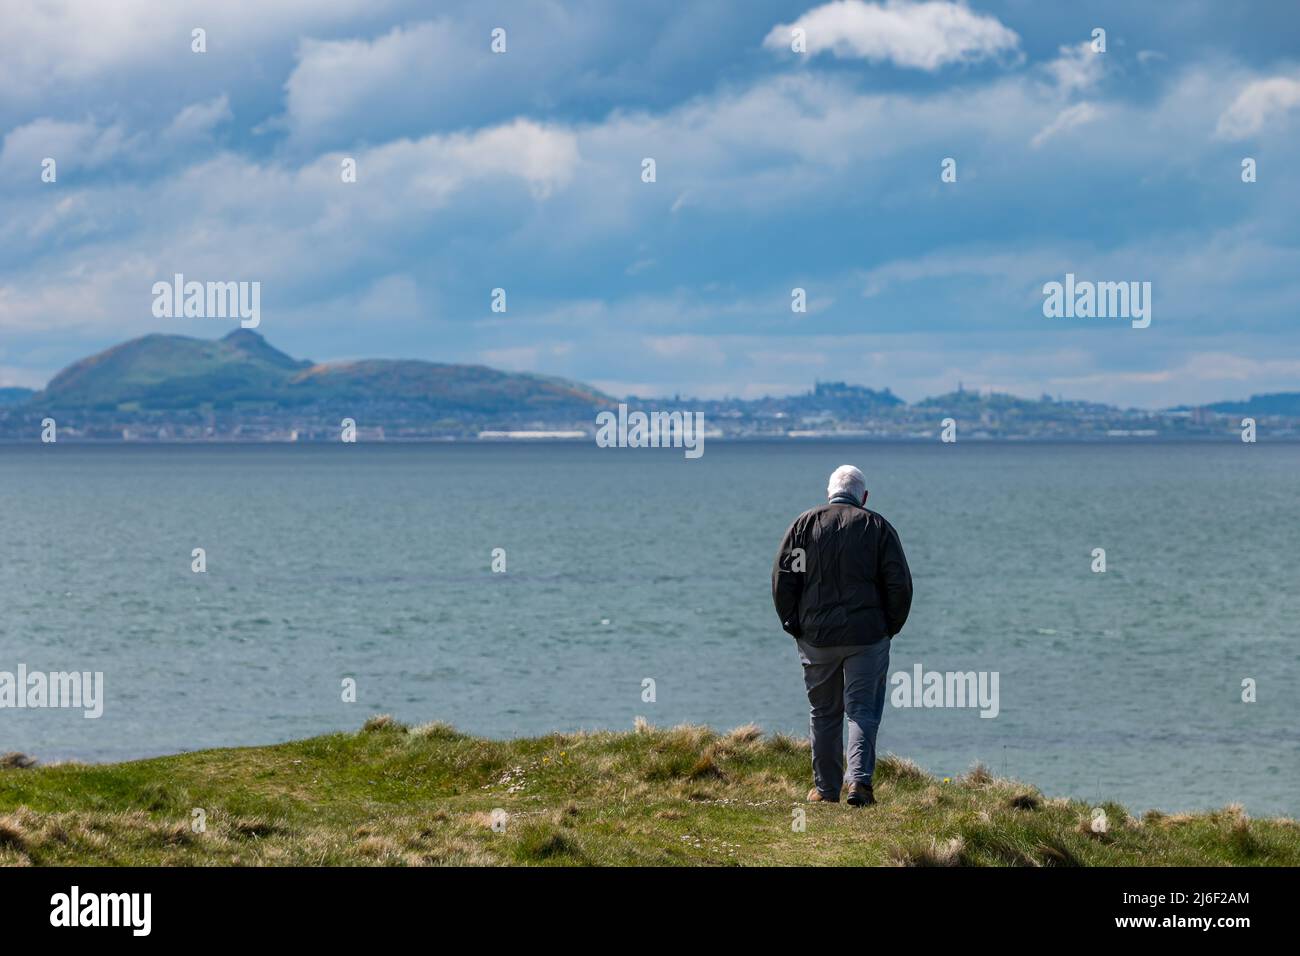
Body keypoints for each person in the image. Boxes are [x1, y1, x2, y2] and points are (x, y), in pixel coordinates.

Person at [772, 464, 913, 806]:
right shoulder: (877, 527)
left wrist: (793, 624)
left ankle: (825, 790)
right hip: (867, 636)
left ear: (829, 492)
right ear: (863, 496)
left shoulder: (803, 525)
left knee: (824, 712)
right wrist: (888, 628)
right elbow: (899, 585)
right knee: (862, 711)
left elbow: (784, 581)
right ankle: (860, 784)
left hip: (816, 636)